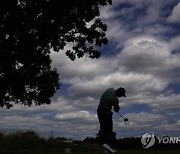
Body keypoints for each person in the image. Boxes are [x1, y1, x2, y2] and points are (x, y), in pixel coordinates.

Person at [97, 87, 126, 153]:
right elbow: (116, 109)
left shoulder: (110, 89)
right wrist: (117, 106)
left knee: (103, 129)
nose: (121, 97)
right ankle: (106, 144)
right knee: (109, 130)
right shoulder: (115, 100)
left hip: (99, 111)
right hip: (105, 113)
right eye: (121, 95)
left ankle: (106, 149)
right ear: (119, 92)